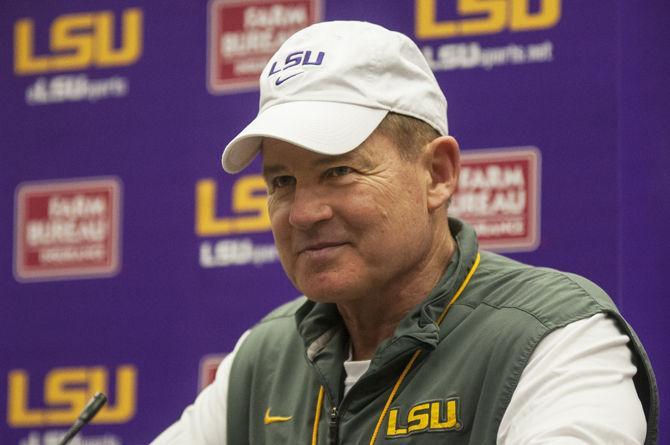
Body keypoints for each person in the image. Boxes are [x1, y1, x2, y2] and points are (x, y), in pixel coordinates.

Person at [152, 21, 658, 444]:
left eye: (339, 172)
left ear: (437, 173)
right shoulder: (264, 357)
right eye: (283, 181)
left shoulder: (557, 335)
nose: (303, 213)